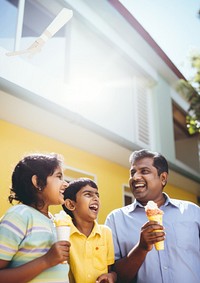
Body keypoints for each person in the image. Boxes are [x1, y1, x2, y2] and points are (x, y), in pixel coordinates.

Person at [105, 149, 200, 283]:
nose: (135, 177)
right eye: (133, 172)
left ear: (163, 178)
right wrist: (141, 248)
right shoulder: (116, 219)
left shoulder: (192, 212)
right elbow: (114, 276)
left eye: (144, 171)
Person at [0, 153, 70, 283]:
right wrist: (46, 261)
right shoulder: (19, 216)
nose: (65, 184)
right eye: (59, 176)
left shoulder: (53, 220)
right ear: (37, 182)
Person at [62, 177, 117, 283]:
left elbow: (112, 271)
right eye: (88, 194)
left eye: (97, 195)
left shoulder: (106, 232)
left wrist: (111, 276)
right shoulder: (63, 234)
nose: (96, 198)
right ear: (70, 204)